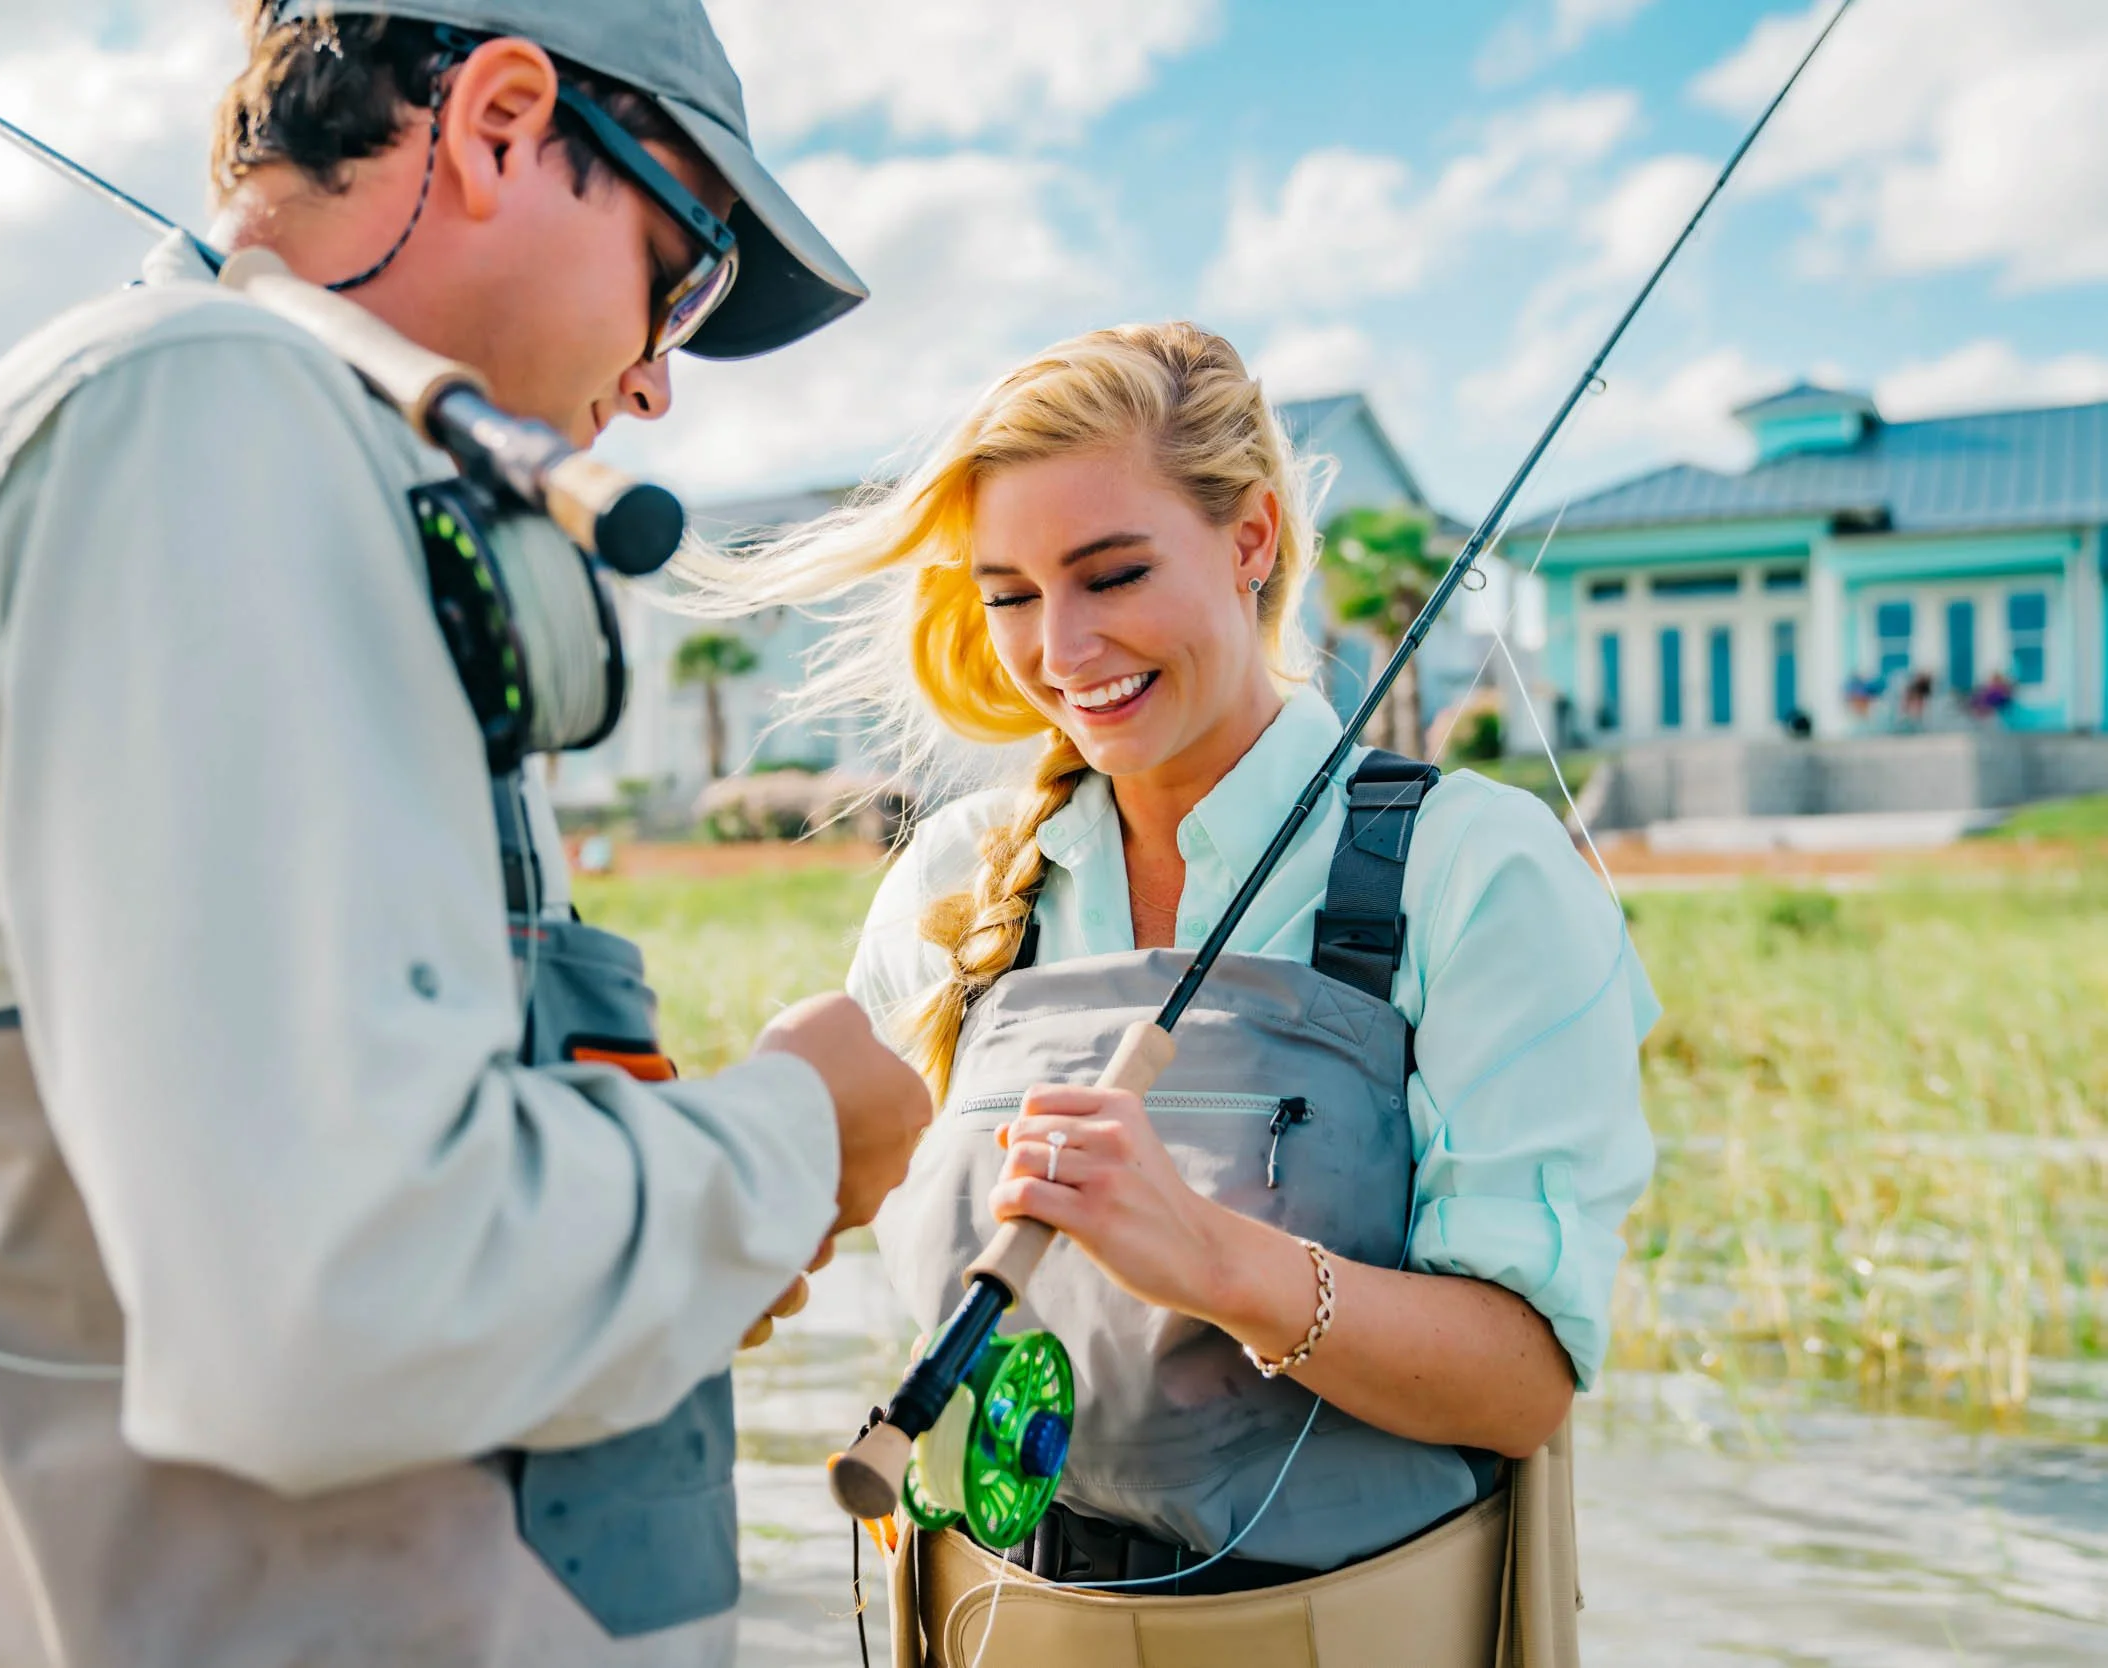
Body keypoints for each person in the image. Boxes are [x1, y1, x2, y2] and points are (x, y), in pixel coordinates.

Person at [0, 4, 931, 1666]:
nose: (658, 379)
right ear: (498, 120)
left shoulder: (301, 465)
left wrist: (622, 1189)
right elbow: (337, 1305)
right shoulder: (207, 415)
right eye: (679, 271)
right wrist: (789, 1142)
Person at [694, 323, 1656, 1666]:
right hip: (988, 1618)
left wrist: (1212, 1260)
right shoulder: (958, 879)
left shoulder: (1477, 870)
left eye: (1113, 573)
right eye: (1012, 594)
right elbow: (823, 1181)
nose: (1062, 647)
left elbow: (1522, 1385)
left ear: (1252, 537)